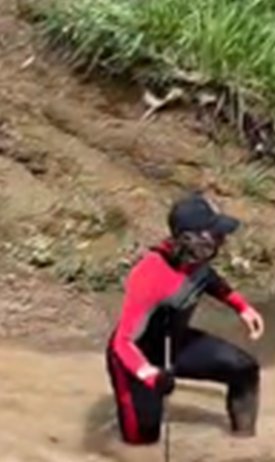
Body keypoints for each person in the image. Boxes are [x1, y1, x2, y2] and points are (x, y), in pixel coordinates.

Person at [106, 191, 265, 446]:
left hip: (177, 344)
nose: (223, 240)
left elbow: (209, 280)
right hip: (137, 358)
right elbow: (122, 343)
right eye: (215, 234)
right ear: (187, 238)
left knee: (244, 370)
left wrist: (242, 307)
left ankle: (244, 447)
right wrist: (150, 375)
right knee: (143, 444)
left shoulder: (196, 259)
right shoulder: (150, 274)